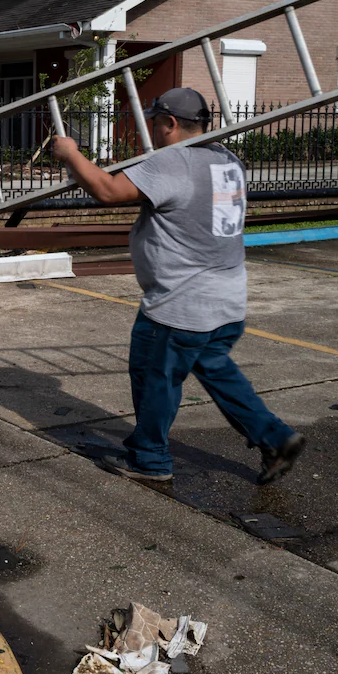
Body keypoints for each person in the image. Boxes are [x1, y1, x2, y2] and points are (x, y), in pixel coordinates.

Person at [51, 86, 304, 485]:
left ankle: (149, 460)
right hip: (227, 299)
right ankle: (275, 438)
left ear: (170, 123)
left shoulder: (173, 161)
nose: (152, 131)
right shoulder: (227, 159)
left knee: (156, 378)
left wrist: (70, 154)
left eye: (155, 123)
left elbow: (108, 190)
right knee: (216, 370)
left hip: (181, 303)